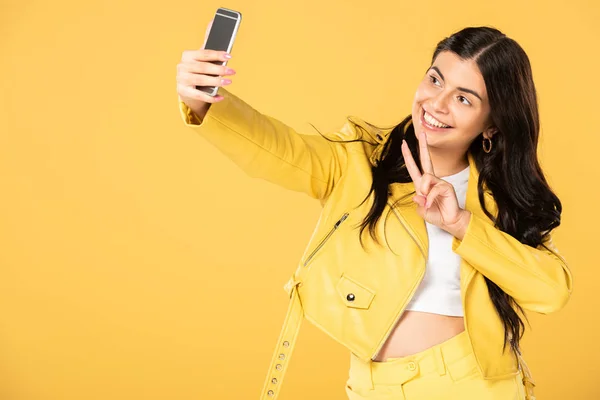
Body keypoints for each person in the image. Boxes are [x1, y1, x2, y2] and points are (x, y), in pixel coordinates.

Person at [175, 24, 572, 400]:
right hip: (370, 384)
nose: (436, 103)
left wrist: (459, 224)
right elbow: (281, 150)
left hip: (469, 384)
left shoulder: (500, 199)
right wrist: (205, 103)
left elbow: (551, 291)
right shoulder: (359, 161)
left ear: (491, 126)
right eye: (435, 80)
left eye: (464, 98)